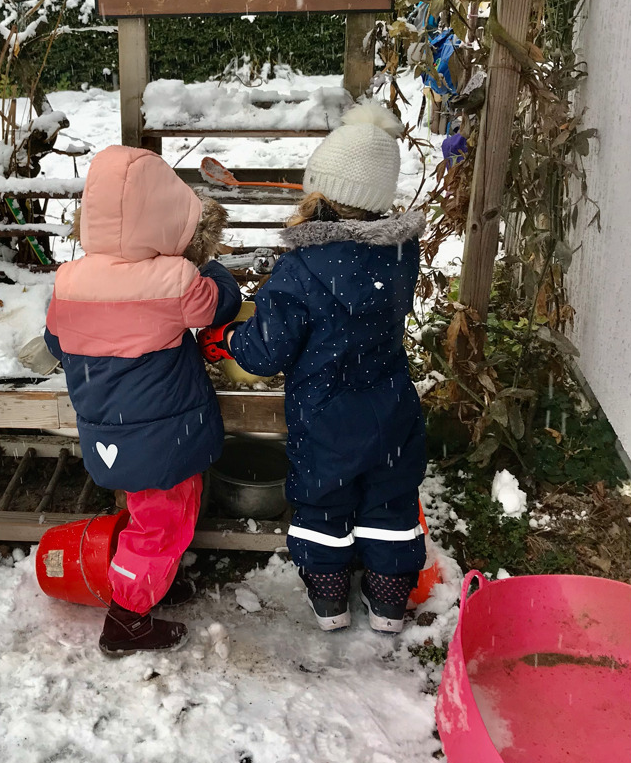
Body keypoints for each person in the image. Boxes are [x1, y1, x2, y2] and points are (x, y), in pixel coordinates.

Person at [198, 100, 427, 634]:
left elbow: (266, 353)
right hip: (391, 407)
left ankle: (331, 604)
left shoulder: (299, 269)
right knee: (390, 503)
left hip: (326, 416)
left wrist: (230, 337)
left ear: (322, 192)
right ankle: (389, 606)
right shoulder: (400, 254)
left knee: (324, 506)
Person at [44, 145, 241, 657]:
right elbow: (218, 305)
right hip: (165, 436)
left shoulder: (70, 280)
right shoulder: (174, 280)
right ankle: (127, 619)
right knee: (163, 523)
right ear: (163, 215)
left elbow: (55, 342)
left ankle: (148, 580)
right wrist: (215, 270)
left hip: (108, 429)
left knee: (146, 513)